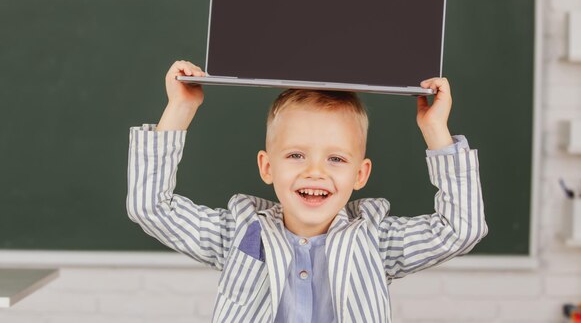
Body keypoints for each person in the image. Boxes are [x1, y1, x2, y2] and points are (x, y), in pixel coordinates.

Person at [127, 60, 487, 323]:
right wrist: (180, 108)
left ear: (360, 174)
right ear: (267, 167)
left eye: (335, 159)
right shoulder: (240, 234)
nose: (315, 172)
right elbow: (150, 207)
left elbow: (461, 228)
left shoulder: (376, 241)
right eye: (296, 155)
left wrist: (436, 129)